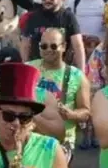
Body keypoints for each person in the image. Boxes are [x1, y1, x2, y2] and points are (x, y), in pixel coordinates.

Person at [30, 29, 90, 161]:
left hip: (61, 144)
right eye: (44, 46)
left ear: (64, 47)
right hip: (30, 140)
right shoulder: (29, 70)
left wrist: (71, 114)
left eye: (53, 46)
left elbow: (86, 112)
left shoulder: (77, 76)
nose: (48, 50)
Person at [21, 0, 85, 70]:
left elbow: (78, 45)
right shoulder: (33, 17)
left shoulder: (68, 16)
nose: (47, 0)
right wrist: (26, 68)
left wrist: (81, 73)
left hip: (61, 70)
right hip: (38, 69)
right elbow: (25, 45)